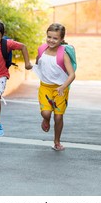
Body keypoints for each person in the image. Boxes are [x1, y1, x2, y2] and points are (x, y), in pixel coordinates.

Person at [33, 23, 76, 151]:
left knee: (58, 116)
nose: (51, 40)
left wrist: (63, 87)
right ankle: (46, 120)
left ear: (61, 39)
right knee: (46, 113)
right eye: (49, 37)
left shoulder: (64, 54)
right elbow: (38, 62)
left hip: (60, 89)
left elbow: (72, 74)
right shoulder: (41, 49)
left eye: (55, 38)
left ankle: (57, 141)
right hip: (45, 87)